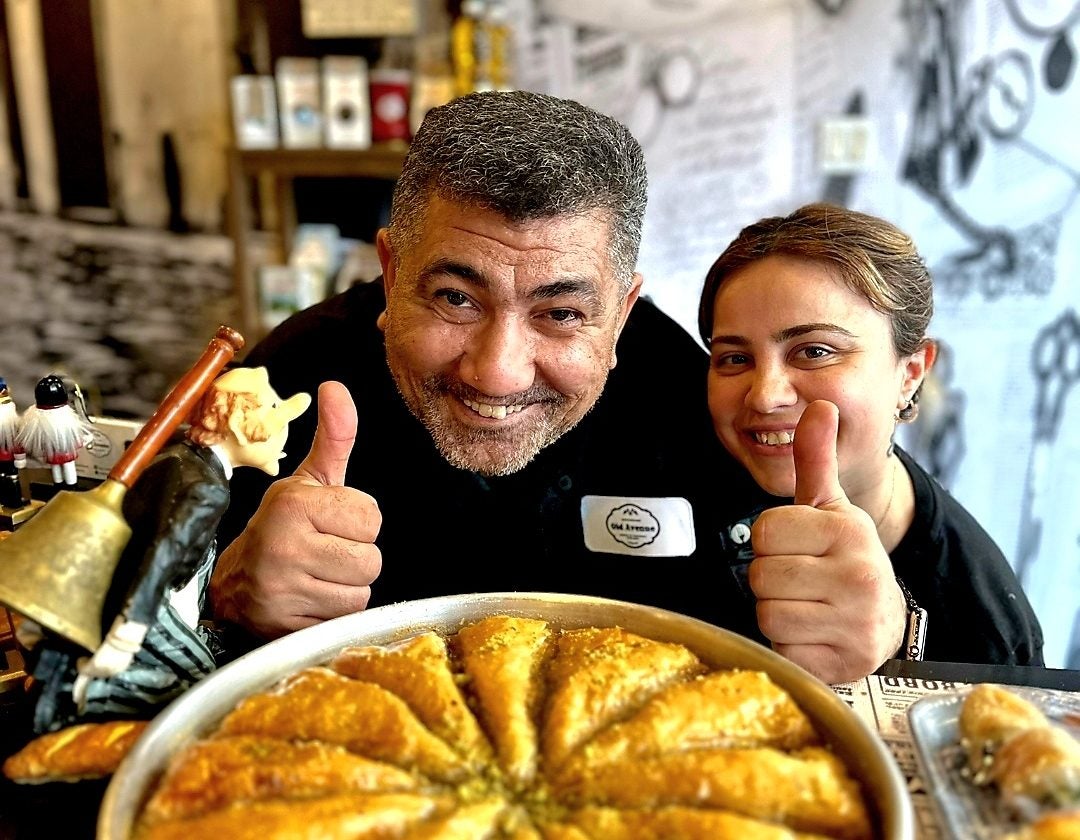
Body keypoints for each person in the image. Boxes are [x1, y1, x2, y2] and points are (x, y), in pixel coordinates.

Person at [211, 91, 909, 685]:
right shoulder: (281, 388)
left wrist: (894, 625)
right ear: (391, 274)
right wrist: (225, 597)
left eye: (562, 313)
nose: (498, 372)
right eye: (456, 298)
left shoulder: (693, 398)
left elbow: (871, 552)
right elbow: (162, 611)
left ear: (623, 313)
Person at [697, 202, 1043, 670]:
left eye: (814, 351)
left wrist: (901, 644)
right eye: (735, 359)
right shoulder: (669, 451)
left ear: (910, 374)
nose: (764, 396)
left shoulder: (989, 636)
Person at [24, 366, 310, 732]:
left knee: (219, 651)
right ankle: (81, 691)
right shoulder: (207, 491)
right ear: (240, 428)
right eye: (276, 416)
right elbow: (159, 560)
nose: (284, 433)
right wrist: (127, 633)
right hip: (144, 605)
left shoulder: (178, 454)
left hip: (133, 590)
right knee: (198, 685)